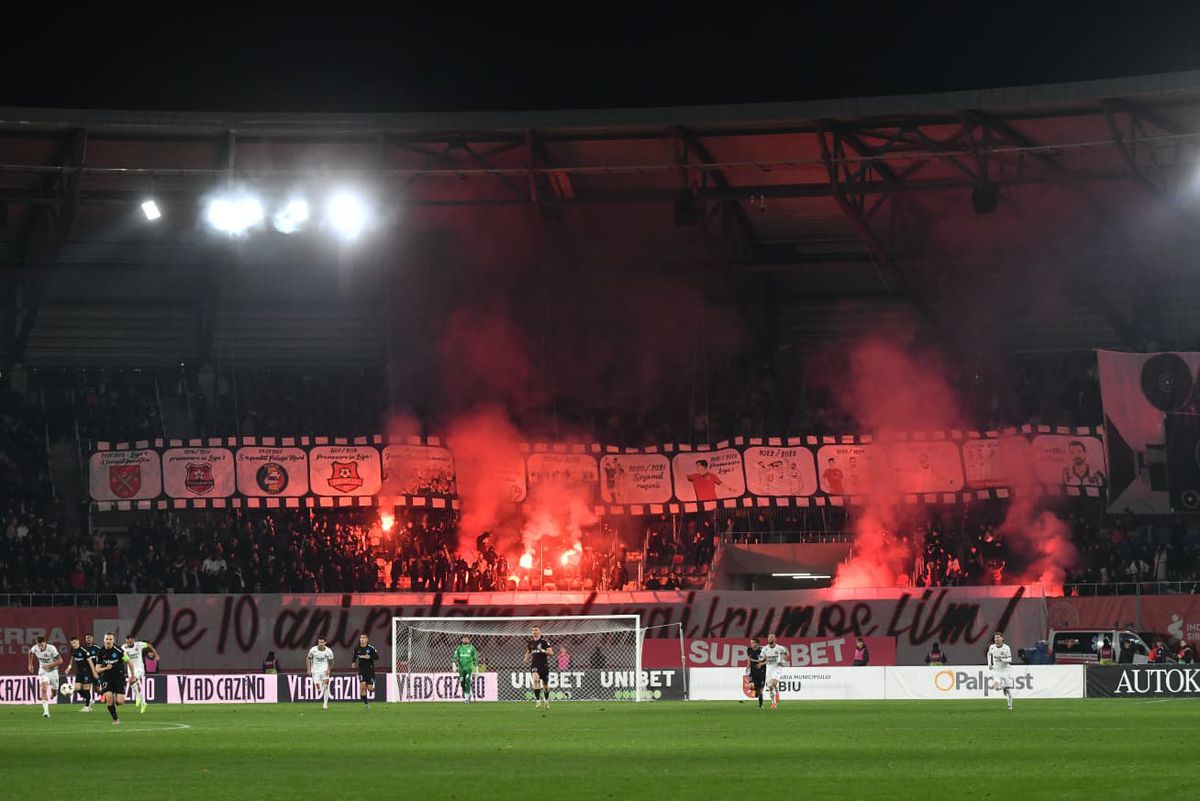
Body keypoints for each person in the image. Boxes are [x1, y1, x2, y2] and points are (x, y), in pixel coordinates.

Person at [88, 631, 129, 726]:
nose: (108, 641)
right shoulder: (100, 652)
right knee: (109, 699)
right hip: (107, 678)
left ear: (113, 640)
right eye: (107, 639)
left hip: (119, 677)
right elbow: (97, 669)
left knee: (120, 702)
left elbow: (129, 662)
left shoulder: (119, 651)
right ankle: (115, 719)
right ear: (104, 640)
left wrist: (133, 675)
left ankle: (115, 697)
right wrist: (106, 668)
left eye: (110, 639)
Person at [122, 634, 159, 714]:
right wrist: (124, 659)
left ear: (133, 640)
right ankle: (143, 702)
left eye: (130, 641)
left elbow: (149, 645)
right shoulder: (124, 647)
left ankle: (138, 697)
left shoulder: (139, 644)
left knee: (132, 681)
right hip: (130, 669)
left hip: (139, 669)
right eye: (127, 641)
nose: (129, 643)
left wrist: (156, 654)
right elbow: (123, 658)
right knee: (135, 685)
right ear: (126, 641)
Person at [27, 635, 62, 719]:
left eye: (42, 645)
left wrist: (49, 665)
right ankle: (46, 712)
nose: (40, 647)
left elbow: (60, 661)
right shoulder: (35, 648)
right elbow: (30, 652)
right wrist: (30, 664)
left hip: (53, 672)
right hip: (43, 671)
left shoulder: (52, 648)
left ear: (45, 643)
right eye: (39, 645)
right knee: (43, 689)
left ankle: (53, 694)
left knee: (54, 692)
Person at [525, 625, 553, 709]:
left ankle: (546, 700)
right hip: (535, 665)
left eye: (536, 630)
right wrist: (526, 658)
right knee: (535, 679)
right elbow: (528, 651)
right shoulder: (530, 643)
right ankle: (538, 701)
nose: (534, 632)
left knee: (545, 684)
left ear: (539, 631)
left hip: (544, 665)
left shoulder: (544, 642)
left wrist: (542, 650)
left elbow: (551, 653)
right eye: (533, 630)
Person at [64, 636, 94, 712]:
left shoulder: (84, 650)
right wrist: (69, 668)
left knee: (86, 688)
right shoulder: (73, 650)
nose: (73, 644)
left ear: (78, 641)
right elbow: (72, 659)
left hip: (86, 671)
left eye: (74, 642)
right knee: (77, 688)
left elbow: (90, 661)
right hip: (79, 672)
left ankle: (87, 707)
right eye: (72, 643)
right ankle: (89, 700)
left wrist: (93, 671)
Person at [759, 633, 788, 710]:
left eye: (771, 638)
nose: (770, 639)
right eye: (769, 638)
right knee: (770, 687)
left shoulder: (780, 648)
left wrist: (783, 661)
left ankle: (774, 701)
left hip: (777, 668)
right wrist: (761, 661)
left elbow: (787, 654)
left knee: (773, 683)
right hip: (769, 669)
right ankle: (773, 702)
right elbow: (762, 658)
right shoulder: (764, 649)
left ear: (775, 639)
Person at [987, 631, 1014, 711]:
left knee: (1008, 690)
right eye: (995, 637)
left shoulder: (1006, 648)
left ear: (1002, 639)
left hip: (1006, 670)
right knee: (996, 687)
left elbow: (1010, 659)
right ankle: (1002, 686)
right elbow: (989, 654)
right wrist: (989, 664)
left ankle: (1010, 705)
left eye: (998, 637)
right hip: (997, 671)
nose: (996, 639)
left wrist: (1002, 659)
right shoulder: (992, 647)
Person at [350, 633, 378, 708]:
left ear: (367, 639)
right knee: (362, 686)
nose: (361, 639)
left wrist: (369, 657)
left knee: (370, 689)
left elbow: (376, 657)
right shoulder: (357, 648)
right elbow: (354, 656)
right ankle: (366, 704)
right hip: (362, 669)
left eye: (363, 638)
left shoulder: (371, 648)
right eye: (360, 638)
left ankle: (373, 685)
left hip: (370, 670)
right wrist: (353, 662)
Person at [307, 637, 335, 709]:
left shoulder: (328, 651)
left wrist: (329, 669)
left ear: (325, 643)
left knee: (326, 686)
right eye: (319, 642)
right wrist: (309, 669)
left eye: (322, 642)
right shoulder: (313, 650)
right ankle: (321, 687)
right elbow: (308, 658)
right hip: (315, 671)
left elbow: (331, 660)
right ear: (317, 643)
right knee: (318, 689)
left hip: (324, 670)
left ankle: (325, 704)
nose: (320, 644)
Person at [452, 635, 479, 703]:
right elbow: (455, 657)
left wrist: (476, 669)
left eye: (466, 639)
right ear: (462, 640)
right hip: (461, 668)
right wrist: (454, 665)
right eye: (464, 639)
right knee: (462, 682)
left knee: (467, 680)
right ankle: (468, 694)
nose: (465, 640)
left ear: (468, 640)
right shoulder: (459, 648)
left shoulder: (472, 648)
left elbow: (475, 659)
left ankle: (467, 699)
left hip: (469, 668)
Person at [745, 637, 767, 708]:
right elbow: (749, 657)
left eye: (753, 643)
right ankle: (757, 690)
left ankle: (760, 705)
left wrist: (761, 664)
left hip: (761, 671)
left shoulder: (763, 650)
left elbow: (768, 660)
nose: (751, 644)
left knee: (760, 690)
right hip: (753, 671)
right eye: (751, 643)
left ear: (757, 643)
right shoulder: (749, 649)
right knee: (751, 686)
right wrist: (748, 665)